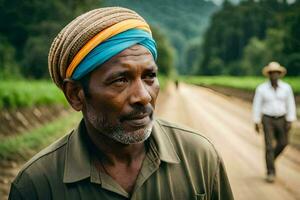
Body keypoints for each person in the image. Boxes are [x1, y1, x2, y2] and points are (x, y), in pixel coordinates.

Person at [9, 7, 233, 199]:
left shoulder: (200, 157)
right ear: (76, 94)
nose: (143, 96)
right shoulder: (36, 186)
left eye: (149, 76)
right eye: (120, 80)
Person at [252, 61, 297, 183]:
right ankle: (270, 172)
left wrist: (290, 120)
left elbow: (290, 104)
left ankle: (270, 159)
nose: (274, 75)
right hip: (267, 119)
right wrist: (256, 121)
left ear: (279, 74)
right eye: (272, 73)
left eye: (276, 73)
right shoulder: (261, 89)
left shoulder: (286, 88)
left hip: (282, 119)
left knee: (283, 143)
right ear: (268, 74)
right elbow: (257, 105)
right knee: (268, 146)